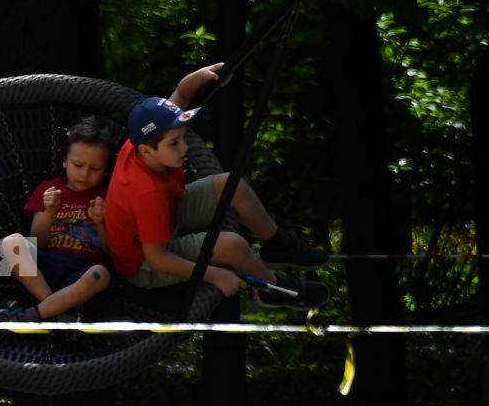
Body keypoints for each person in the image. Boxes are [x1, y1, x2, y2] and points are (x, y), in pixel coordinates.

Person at [103, 64, 330, 306]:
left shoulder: (139, 142)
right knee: (232, 245)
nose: (185, 147)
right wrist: (215, 275)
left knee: (232, 185)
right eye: (174, 143)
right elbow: (158, 259)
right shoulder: (146, 192)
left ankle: (276, 244)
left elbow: (180, 95)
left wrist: (199, 78)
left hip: (167, 215)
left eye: (183, 136)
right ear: (147, 151)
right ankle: (271, 288)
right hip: (146, 264)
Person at [0, 116, 118, 324]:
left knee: (101, 275)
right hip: (43, 272)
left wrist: (99, 223)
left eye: (94, 169)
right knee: (11, 243)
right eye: (78, 165)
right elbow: (37, 241)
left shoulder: (107, 197)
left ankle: (34, 315)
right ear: (64, 161)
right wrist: (49, 212)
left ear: (105, 170)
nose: (85, 174)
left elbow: (111, 252)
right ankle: (57, 311)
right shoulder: (49, 190)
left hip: (81, 276)